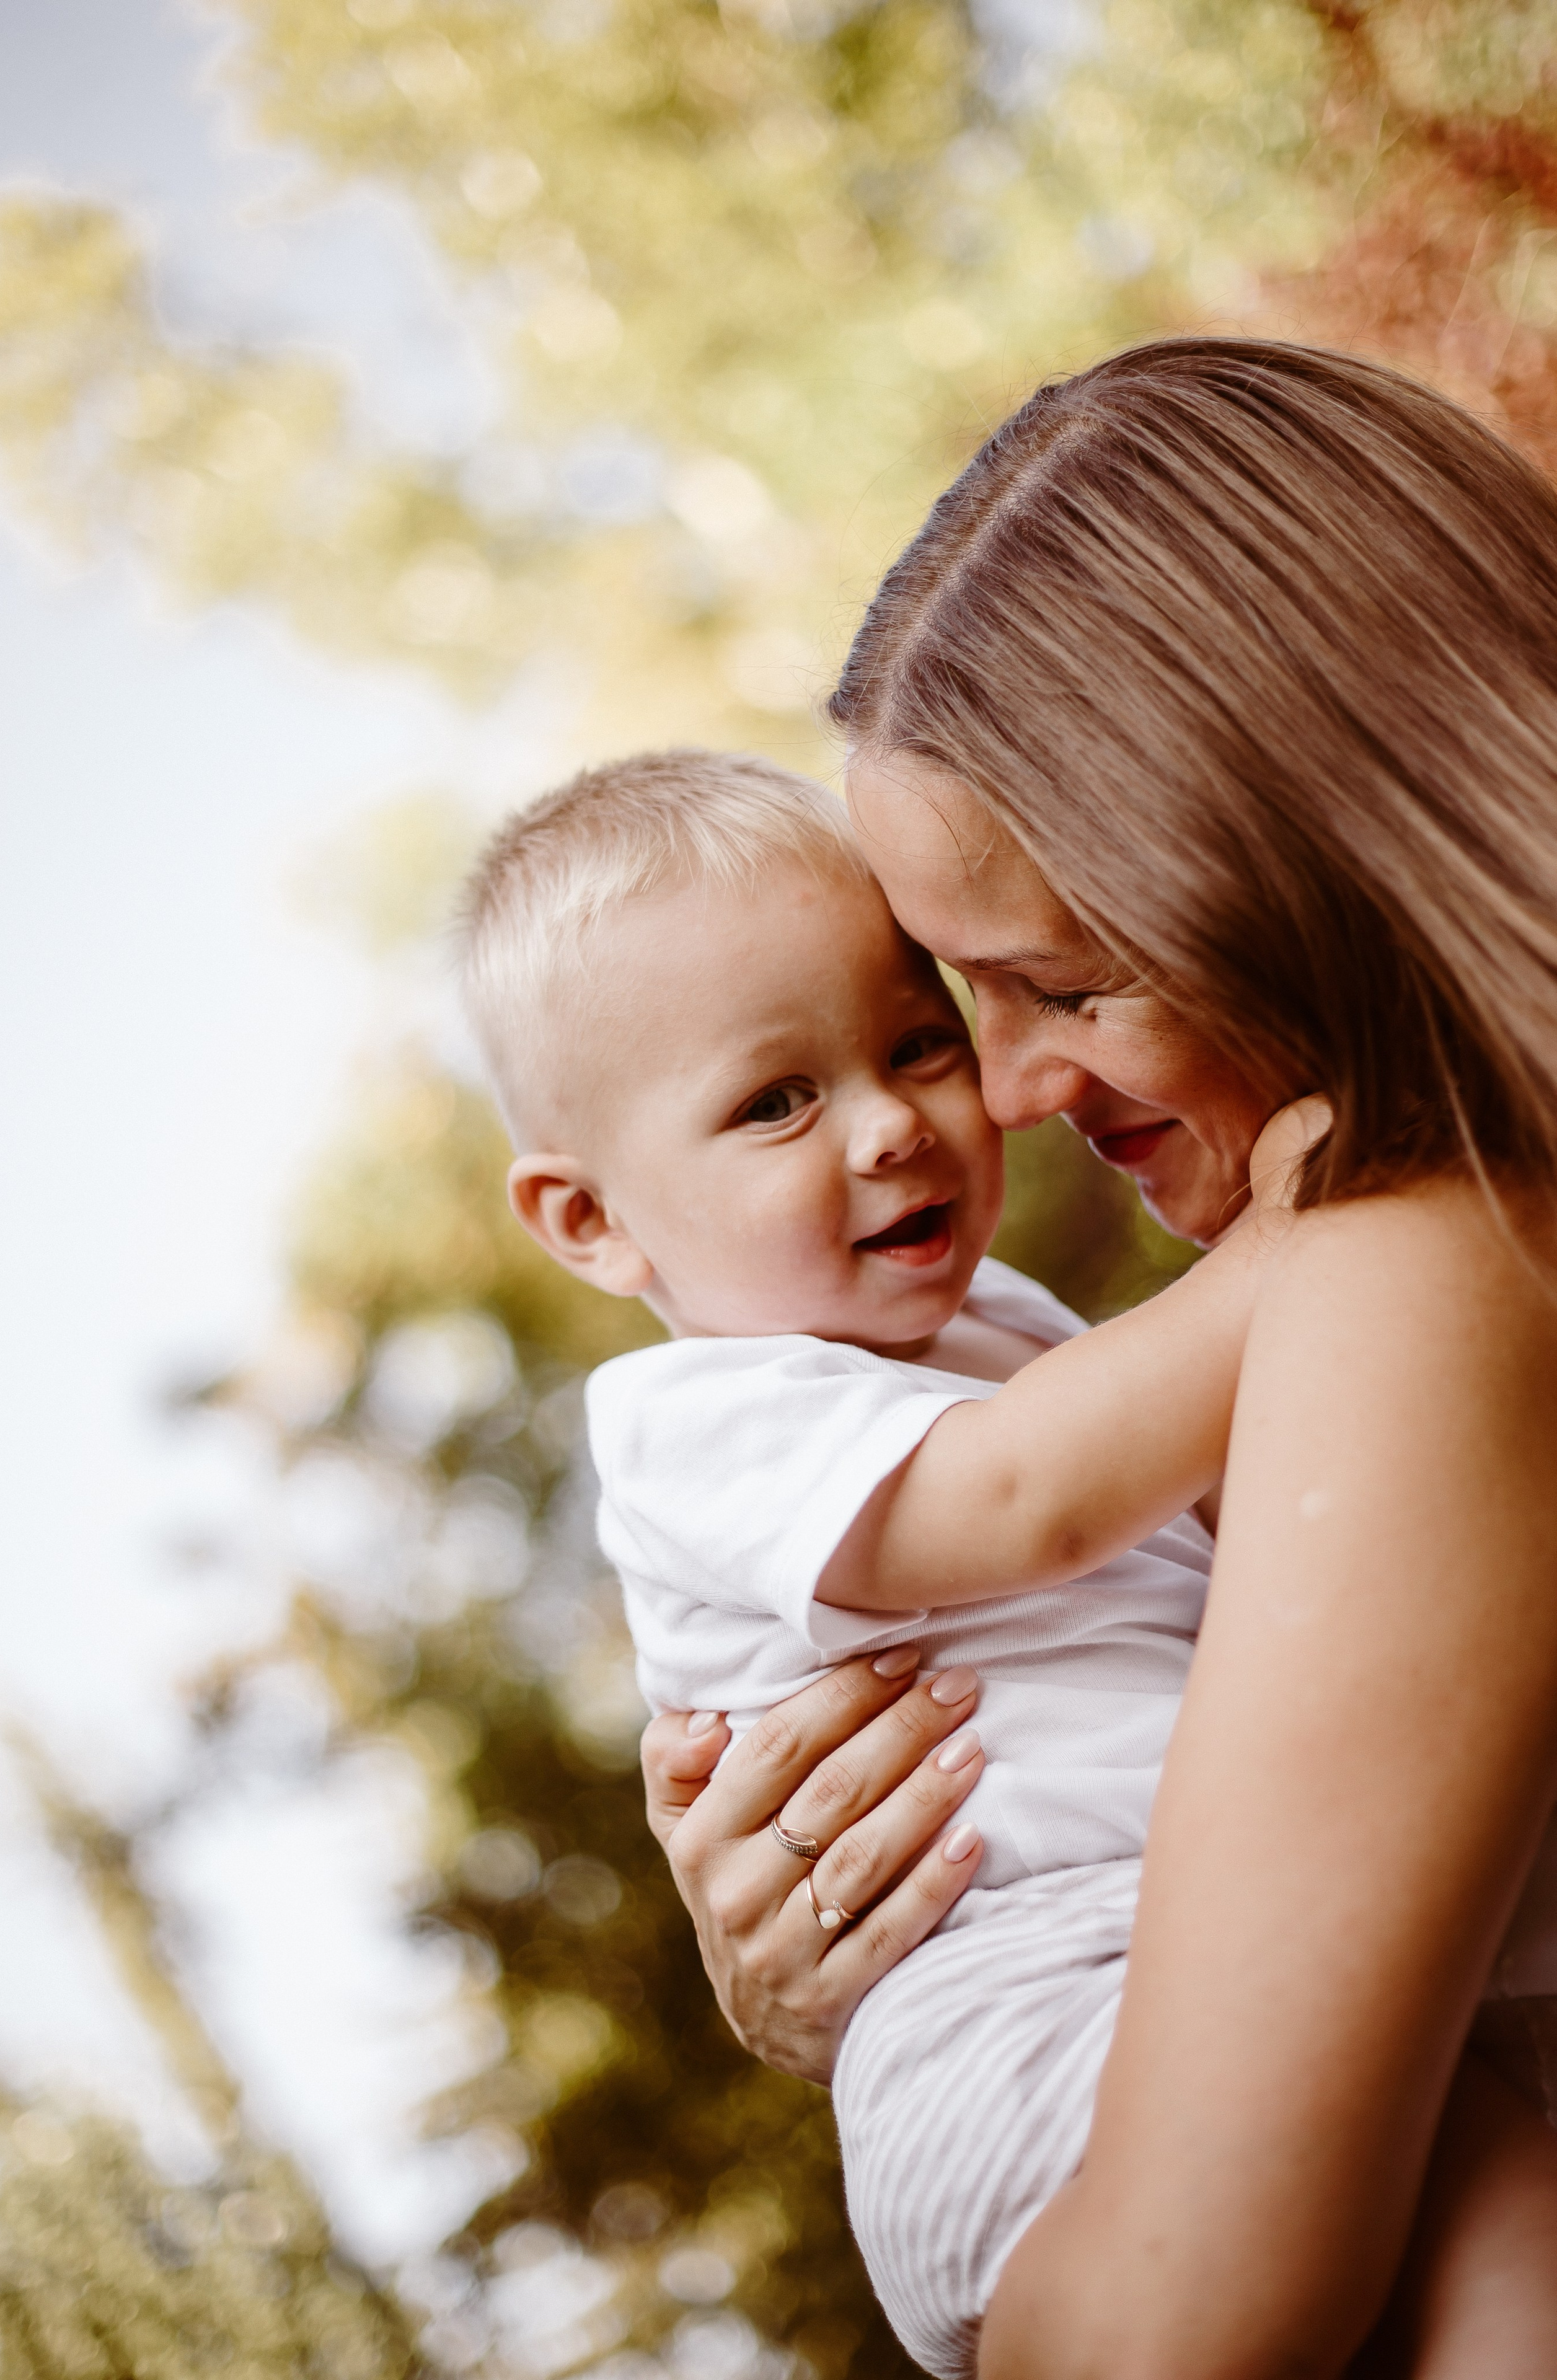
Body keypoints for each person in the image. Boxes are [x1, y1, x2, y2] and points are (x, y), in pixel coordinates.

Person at [638, 338, 1557, 2378]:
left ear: (1323, 859)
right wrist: (929, 1950)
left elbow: (1163, 2325)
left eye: (1064, 982)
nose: (1010, 1094)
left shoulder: (1417, 1251)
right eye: (966, 1002)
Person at [459, 746, 1557, 2375]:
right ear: (591, 1222)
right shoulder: (697, 1420)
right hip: (1029, 1996)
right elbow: (1030, 1498)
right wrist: (1309, 1227)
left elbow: (1245, 1537)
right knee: (1505, 2222)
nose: (893, 1126)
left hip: (1177, 1934)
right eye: (777, 1102)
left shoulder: (1003, 1332)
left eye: (917, 1043)